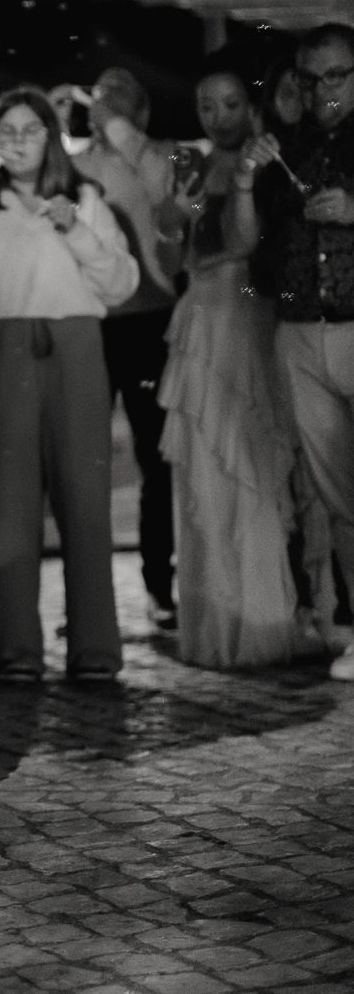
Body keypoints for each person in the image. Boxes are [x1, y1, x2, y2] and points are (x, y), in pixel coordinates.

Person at [0, 90, 137, 683]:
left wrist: (75, 228)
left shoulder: (84, 198)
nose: (17, 141)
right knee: (11, 503)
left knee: (86, 498)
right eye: (6, 131)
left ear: (51, 136)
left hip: (76, 347)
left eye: (29, 129)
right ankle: (17, 650)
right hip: (1, 346)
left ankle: (95, 649)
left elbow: (122, 283)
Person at [154, 66, 300, 668]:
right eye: (207, 105)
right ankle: (214, 623)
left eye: (231, 103)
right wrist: (173, 217)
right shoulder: (189, 164)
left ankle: (262, 621)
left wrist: (234, 187)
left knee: (249, 464)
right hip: (198, 315)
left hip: (246, 311)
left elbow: (245, 244)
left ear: (251, 106)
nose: (219, 117)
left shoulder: (269, 162)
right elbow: (170, 261)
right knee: (203, 472)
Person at [231, 23, 354, 679]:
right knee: (338, 494)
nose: (323, 90)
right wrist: (245, 179)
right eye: (311, 78)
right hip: (300, 331)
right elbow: (247, 247)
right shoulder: (288, 148)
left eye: (337, 75)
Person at [75, 66, 179, 631]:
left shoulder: (154, 158)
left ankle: (160, 586)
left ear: (139, 112)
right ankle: (89, 601)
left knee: (156, 459)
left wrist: (116, 126)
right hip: (90, 325)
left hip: (150, 322)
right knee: (84, 463)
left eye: (119, 99)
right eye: (100, 96)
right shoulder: (76, 165)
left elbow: (165, 189)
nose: (103, 105)